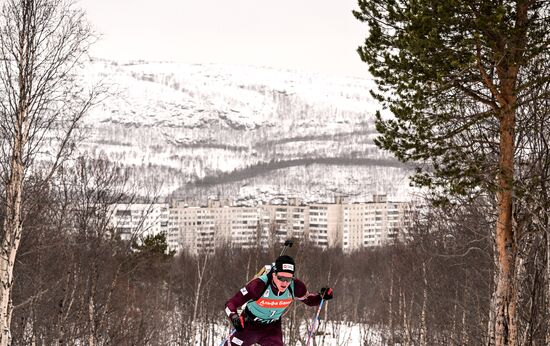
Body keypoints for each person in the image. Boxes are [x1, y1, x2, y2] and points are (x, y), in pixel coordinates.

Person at [224, 255, 333, 346]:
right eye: (281, 278)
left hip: (272, 328)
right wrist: (234, 317)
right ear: (273, 274)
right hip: (249, 325)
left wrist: (321, 296)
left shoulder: (296, 287)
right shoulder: (259, 285)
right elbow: (231, 303)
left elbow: (310, 301)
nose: (285, 283)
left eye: (289, 279)